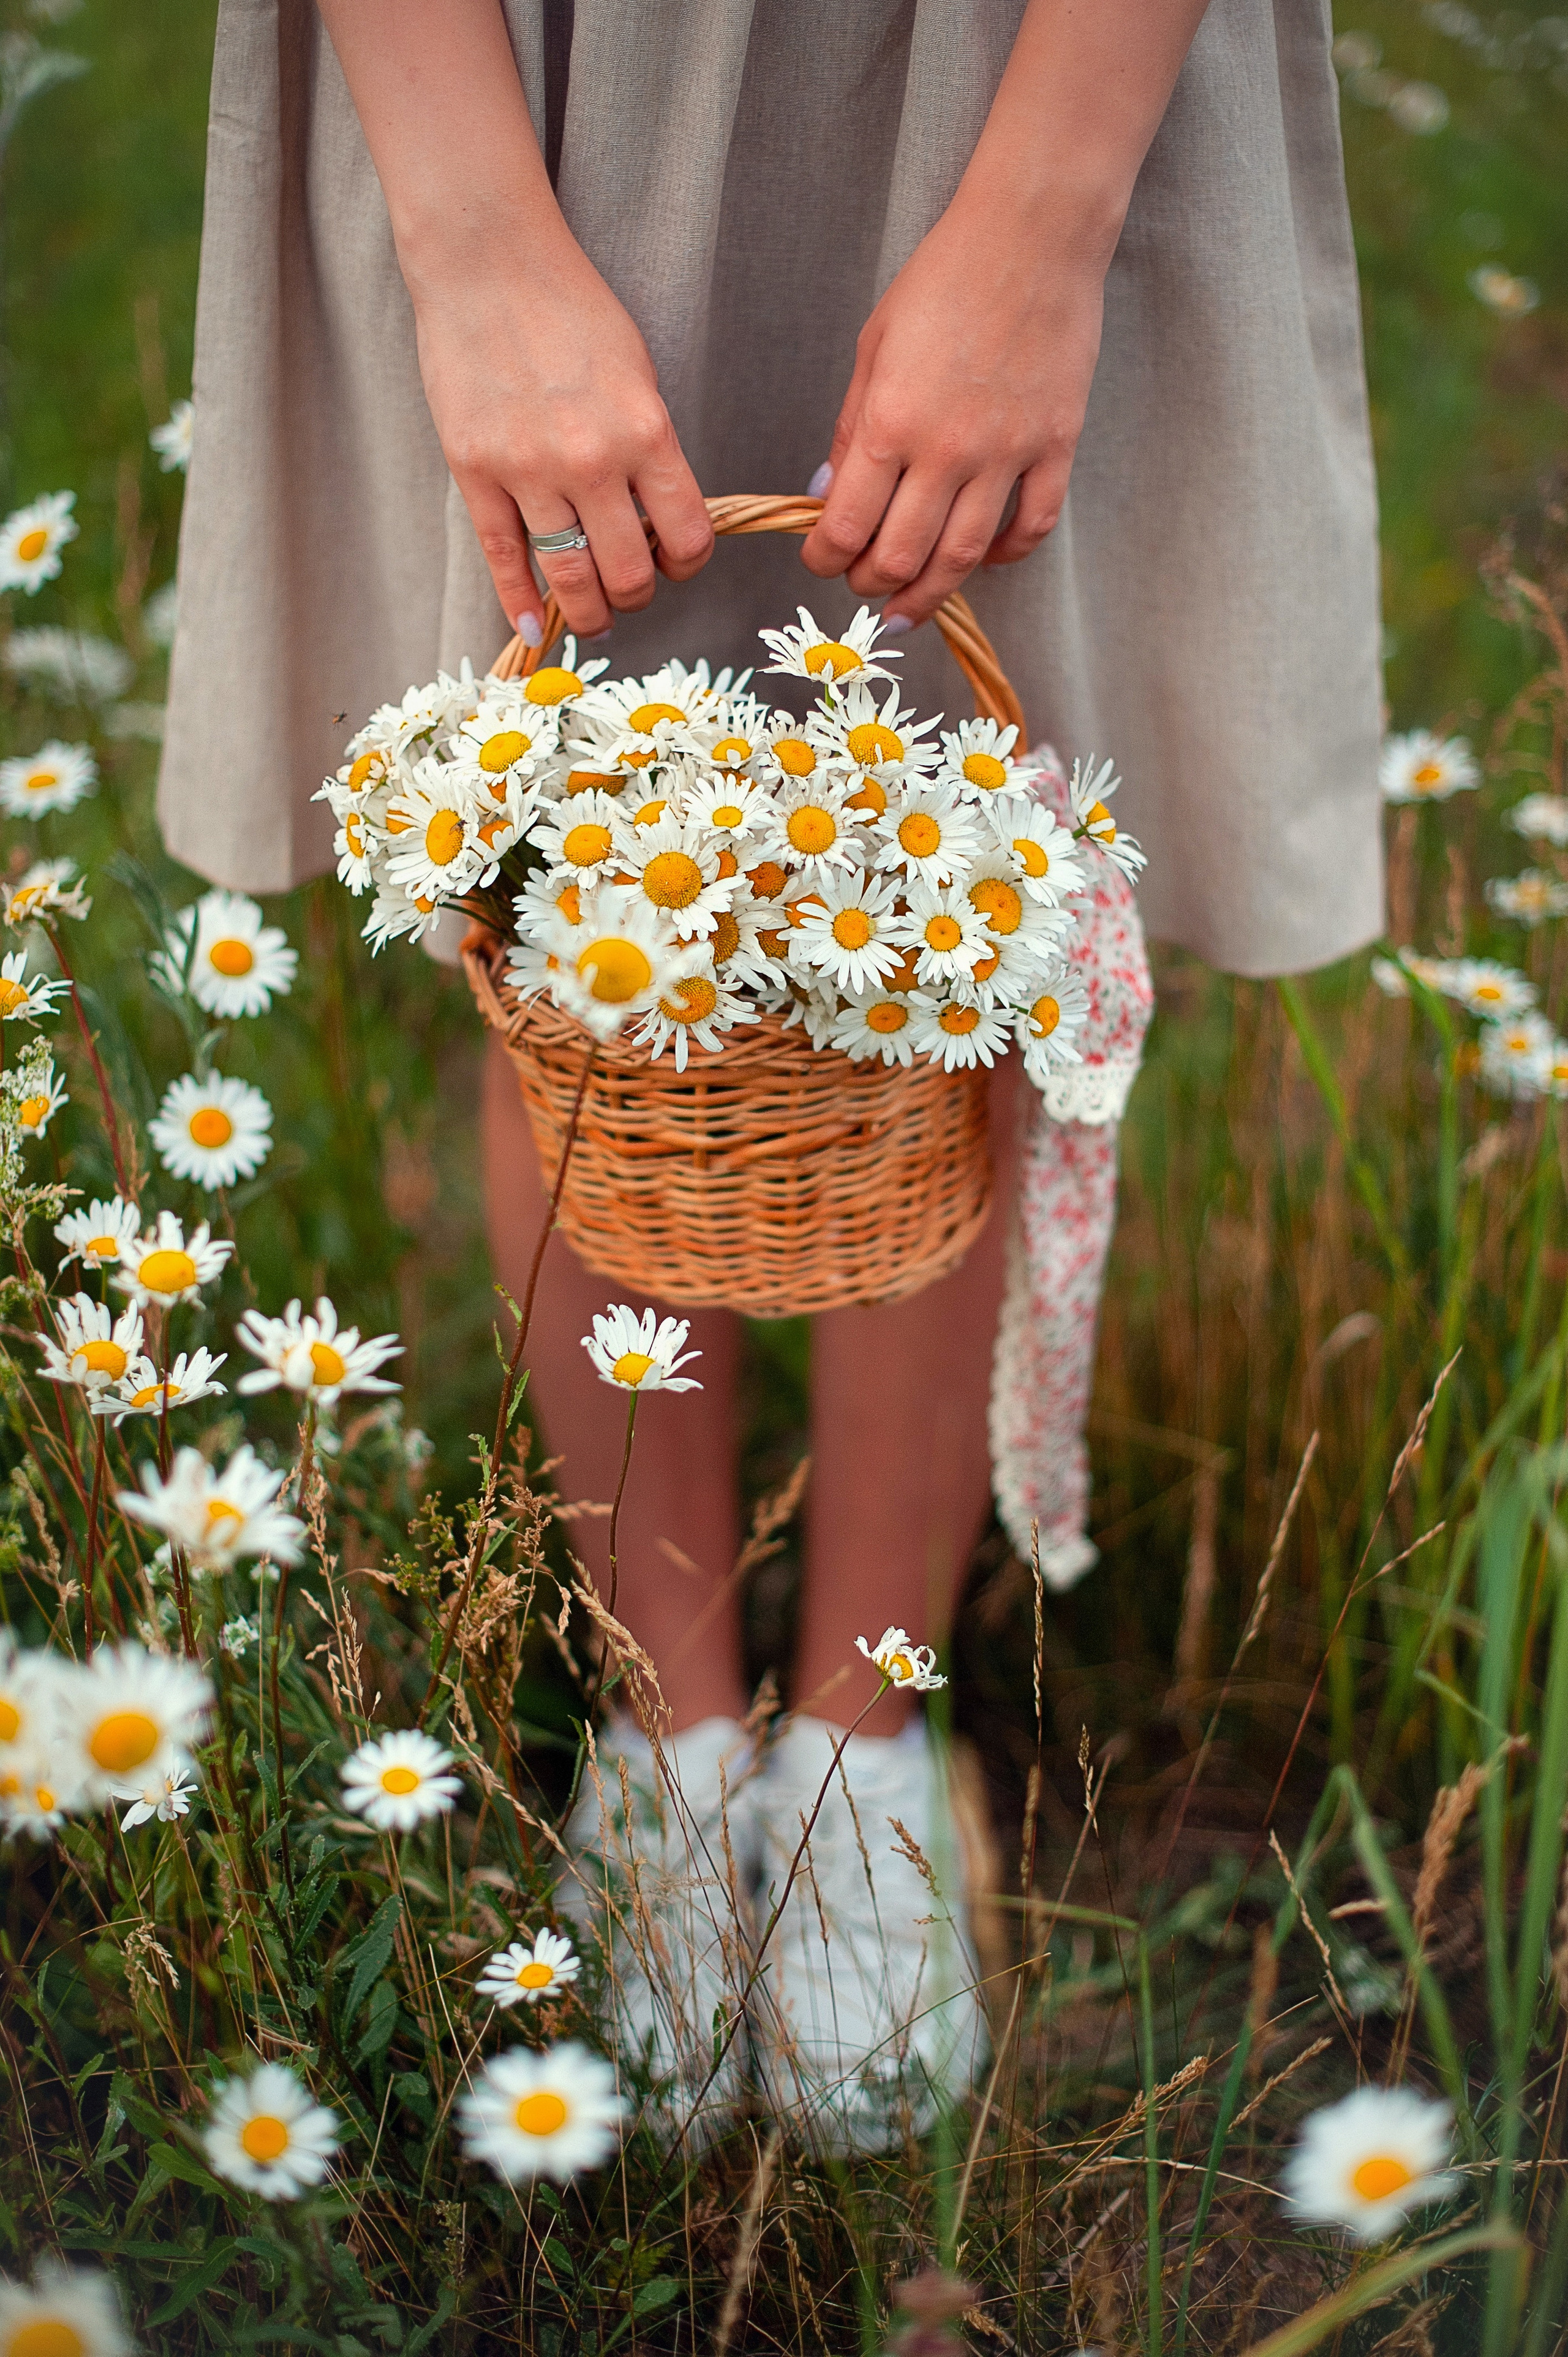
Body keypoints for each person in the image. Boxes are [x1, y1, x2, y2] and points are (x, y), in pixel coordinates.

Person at [161, 0, 1383, 2150]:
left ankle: (863, 1734)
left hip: (1013, 68)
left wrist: (1045, 216)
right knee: (553, 885)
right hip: (506, 68)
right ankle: (668, 1723)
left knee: (953, 895)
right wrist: (470, 236)